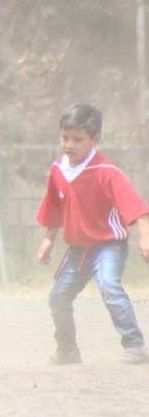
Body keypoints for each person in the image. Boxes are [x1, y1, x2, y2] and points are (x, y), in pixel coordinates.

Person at [36, 103, 149, 365]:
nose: (69, 144)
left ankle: (135, 345)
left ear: (94, 139)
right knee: (58, 296)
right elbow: (54, 207)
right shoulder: (58, 169)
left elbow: (137, 209)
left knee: (109, 285)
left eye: (78, 139)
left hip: (108, 246)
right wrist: (48, 239)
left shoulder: (106, 171)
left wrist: (145, 238)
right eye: (65, 137)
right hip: (77, 249)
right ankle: (68, 350)